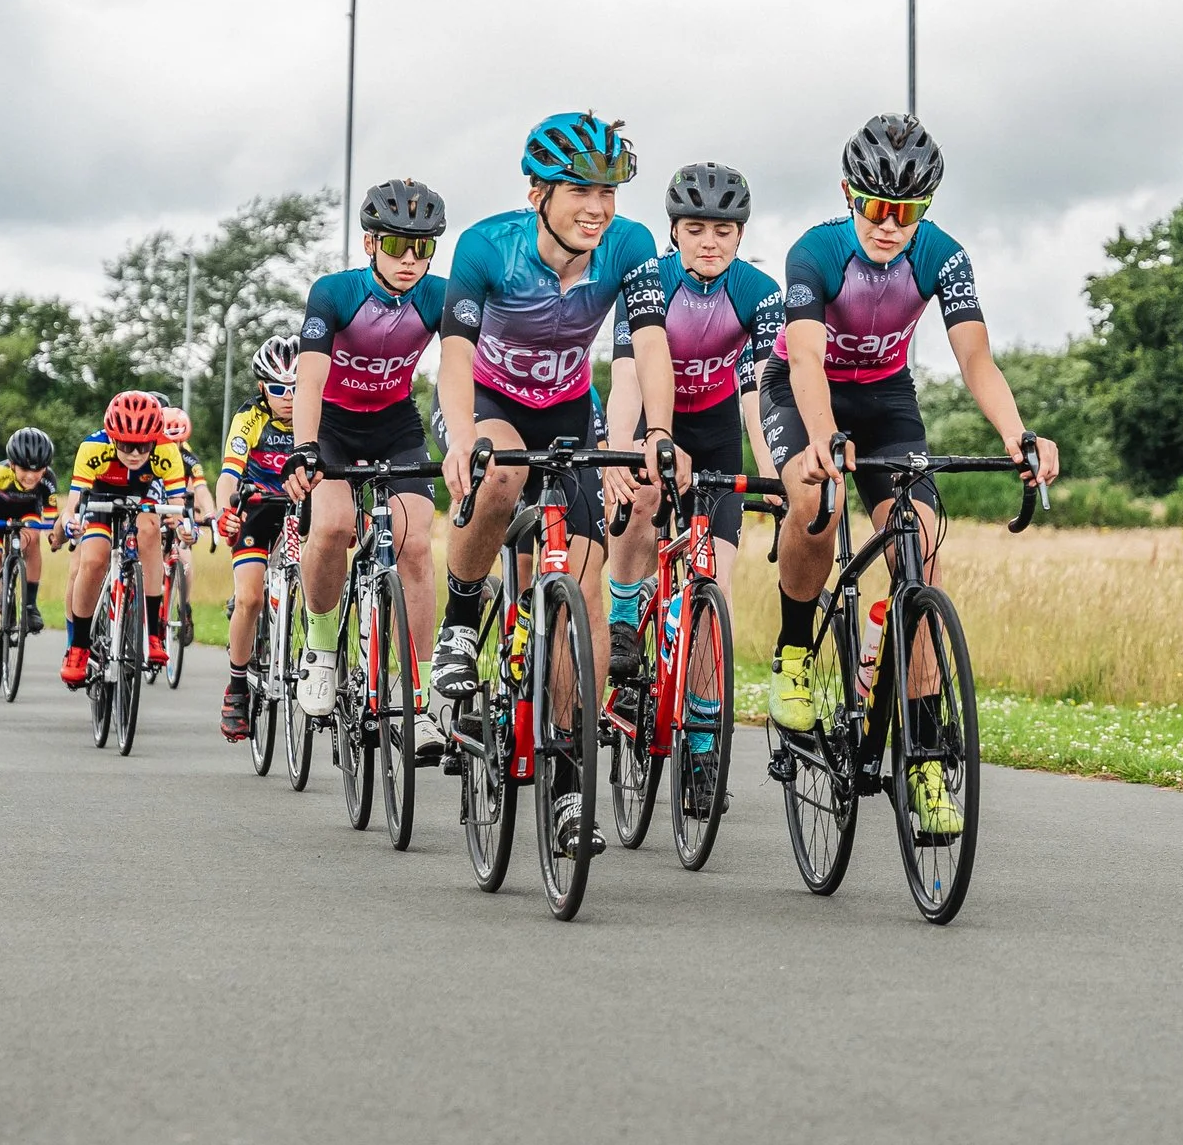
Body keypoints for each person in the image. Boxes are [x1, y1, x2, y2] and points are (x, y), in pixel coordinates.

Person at [760, 114, 1059, 836]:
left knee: (919, 547)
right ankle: (795, 651)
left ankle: (923, 757)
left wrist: (1018, 435)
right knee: (815, 499)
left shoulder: (943, 256)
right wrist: (825, 442)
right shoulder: (817, 251)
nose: (890, 225)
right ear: (848, 193)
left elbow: (975, 360)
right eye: (876, 207)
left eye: (908, 212)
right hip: (805, 389)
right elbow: (804, 360)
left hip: (888, 399)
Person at [432, 111, 682, 857]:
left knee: (582, 608)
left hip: (573, 411)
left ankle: (571, 788)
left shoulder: (630, 247)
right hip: (488, 404)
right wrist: (461, 438)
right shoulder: (487, 247)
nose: (598, 207)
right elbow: (452, 355)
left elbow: (650, 343)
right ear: (539, 190)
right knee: (502, 472)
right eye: (580, 189)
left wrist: (658, 434)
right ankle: (460, 615)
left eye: (608, 191)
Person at [280, 180, 449, 757]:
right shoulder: (334, 293)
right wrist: (304, 447)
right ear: (370, 241)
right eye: (399, 246)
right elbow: (309, 375)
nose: (410, 261)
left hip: (395, 425)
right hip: (332, 425)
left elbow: (475, 359)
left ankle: (417, 697)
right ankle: (322, 650)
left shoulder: (439, 297)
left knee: (416, 547)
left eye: (423, 249)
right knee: (328, 528)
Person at [602, 162, 782, 679]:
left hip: (715, 429)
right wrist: (619, 452)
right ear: (674, 231)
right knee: (644, 495)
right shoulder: (648, 281)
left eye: (722, 231)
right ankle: (621, 615)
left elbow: (762, 394)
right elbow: (628, 379)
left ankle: (703, 736)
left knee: (715, 590)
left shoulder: (759, 291)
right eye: (695, 229)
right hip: (651, 422)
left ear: (739, 234)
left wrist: (774, 473)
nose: (710, 242)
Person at [57, 391, 185, 688]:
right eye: (127, 445)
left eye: (143, 446)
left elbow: (177, 505)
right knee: (94, 559)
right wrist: (70, 521)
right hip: (100, 497)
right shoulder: (92, 447)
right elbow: (73, 505)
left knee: (151, 530)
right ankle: (78, 647)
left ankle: (153, 633)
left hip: (142, 498)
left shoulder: (167, 450)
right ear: (113, 439)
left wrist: (181, 524)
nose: (136, 454)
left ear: (156, 439)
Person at [214, 336, 303, 742]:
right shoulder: (250, 418)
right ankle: (236, 689)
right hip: (258, 508)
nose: (288, 397)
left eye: (297, 388)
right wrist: (224, 512)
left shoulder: (317, 416)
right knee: (249, 597)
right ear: (263, 388)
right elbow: (229, 474)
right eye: (279, 388)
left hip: (303, 507)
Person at [0, 426, 59, 658]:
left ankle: (29, 605)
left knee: (33, 536)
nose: (31, 476)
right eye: (25, 469)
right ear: (13, 464)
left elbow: (52, 519)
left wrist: (56, 536)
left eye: (38, 470)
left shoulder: (48, 480)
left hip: (28, 514)